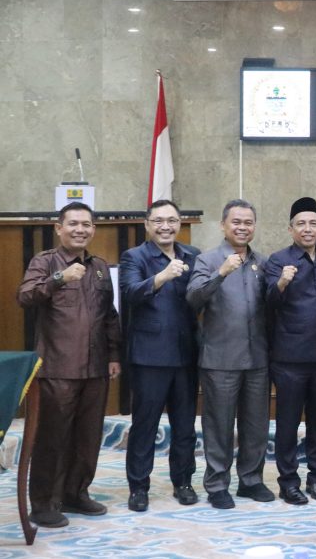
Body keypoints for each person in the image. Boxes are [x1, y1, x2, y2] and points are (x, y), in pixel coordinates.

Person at [17, 202, 121, 528]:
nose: (80, 229)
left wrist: (114, 354)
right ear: (59, 228)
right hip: (57, 368)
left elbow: (109, 316)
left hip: (95, 369)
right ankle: (44, 503)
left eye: (86, 224)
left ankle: (76, 494)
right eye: (73, 223)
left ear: (93, 229)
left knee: (87, 438)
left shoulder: (101, 267)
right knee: (52, 440)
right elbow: (25, 297)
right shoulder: (45, 261)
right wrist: (59, 278)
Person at [186, 199, 274, 509]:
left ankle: (251, 481)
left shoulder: (263, 262)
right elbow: (194, 299)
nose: (242, 227)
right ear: (224, 225)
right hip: (220, 359)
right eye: (236, 222)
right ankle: (217, 484)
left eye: (248, 222)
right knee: (219, 426)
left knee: (256, 426)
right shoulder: (208, 260)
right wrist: (221, 273)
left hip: (258, 359)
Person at [263, 197, 316, 505]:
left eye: (313, 223)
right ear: (291, 228)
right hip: (288, 357)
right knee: (287, 422)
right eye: (301, 224)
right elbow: (268, 303)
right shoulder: (277, 260)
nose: (307, 229)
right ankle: (288, 481)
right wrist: (282, 282)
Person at [119, 199, 200, 512]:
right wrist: (163, 276)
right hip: (150, 357)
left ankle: (183, 482)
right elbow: (130, 293)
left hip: (186, 355)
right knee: (145, 425)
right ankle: (138, 487)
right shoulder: (134, 256)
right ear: (147, 225)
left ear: (180, 223)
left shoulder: (192, 255)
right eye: (159, 221)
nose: (166, 226)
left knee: (184, 426)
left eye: (172, 220)